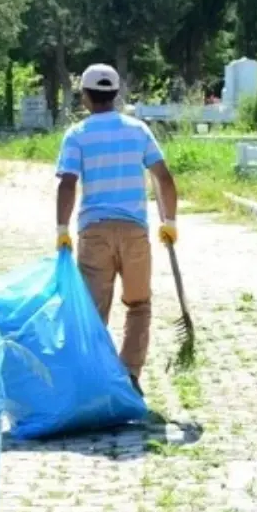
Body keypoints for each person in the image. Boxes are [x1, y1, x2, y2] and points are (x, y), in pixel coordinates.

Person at [55, 64, 179, 396]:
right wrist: (170, 223)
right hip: (134, 231)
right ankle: (130, 375)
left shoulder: (77, 135)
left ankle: (95, 378)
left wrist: (61, 228)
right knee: (139, 304)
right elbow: (163, 178)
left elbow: (68, 183)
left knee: (93, 311)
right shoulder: (138, 131)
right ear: (117, 94)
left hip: (94, 233)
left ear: (85, 97)